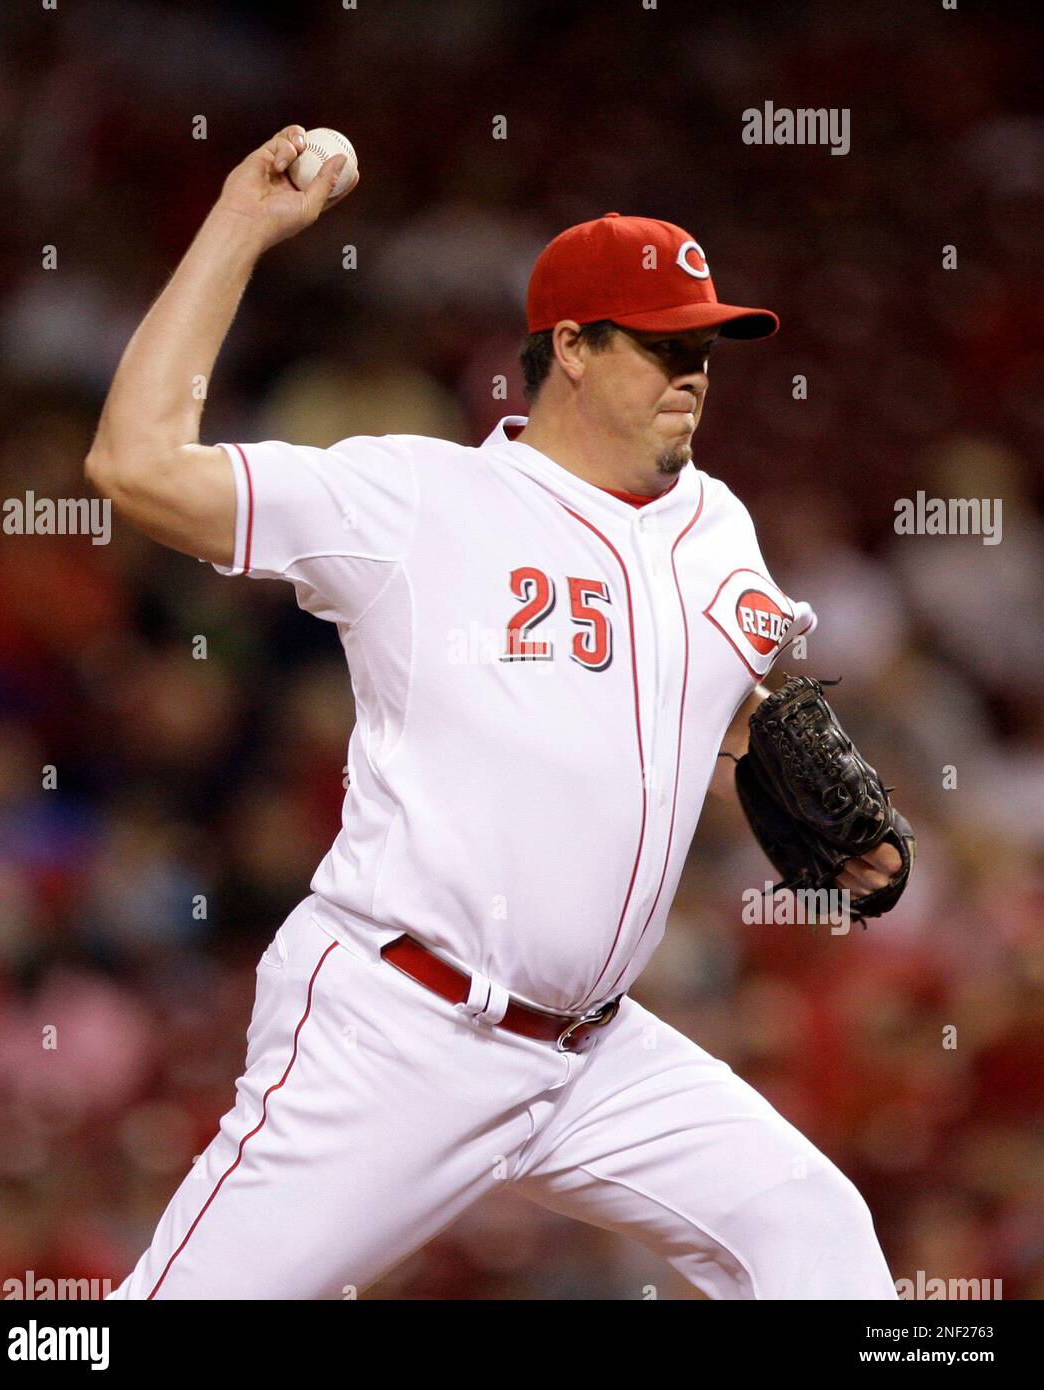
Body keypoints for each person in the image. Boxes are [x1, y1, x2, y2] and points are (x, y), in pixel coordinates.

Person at [89, 125, 903, 1299]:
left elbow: (729, 709)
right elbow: (136, 464)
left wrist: (795, 773)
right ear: (569, 346)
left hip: (596, 1054)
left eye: (709, 349)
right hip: (402, 1026)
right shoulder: (420, 499)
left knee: (811, 1231)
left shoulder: (718, 522)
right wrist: (240, 225)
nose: (695, 376)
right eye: (664, 347)